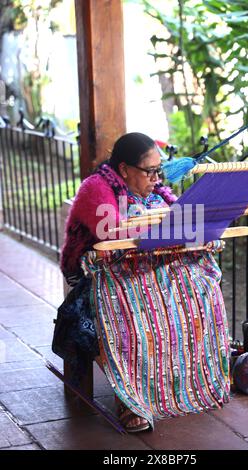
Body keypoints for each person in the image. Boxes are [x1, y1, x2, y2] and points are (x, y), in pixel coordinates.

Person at [55, 132, 230, 433]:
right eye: (149, 171)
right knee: (136, 312)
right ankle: (131, 400)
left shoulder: (157, 190)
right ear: (124, 169)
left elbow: (181, 221)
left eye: (158, 170)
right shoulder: (96, 189)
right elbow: (112, 236)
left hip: (148, 268)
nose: (156, 177)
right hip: (104, 274)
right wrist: (160, 230)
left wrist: (199, 234)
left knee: (200, 291)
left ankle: (187, 381)